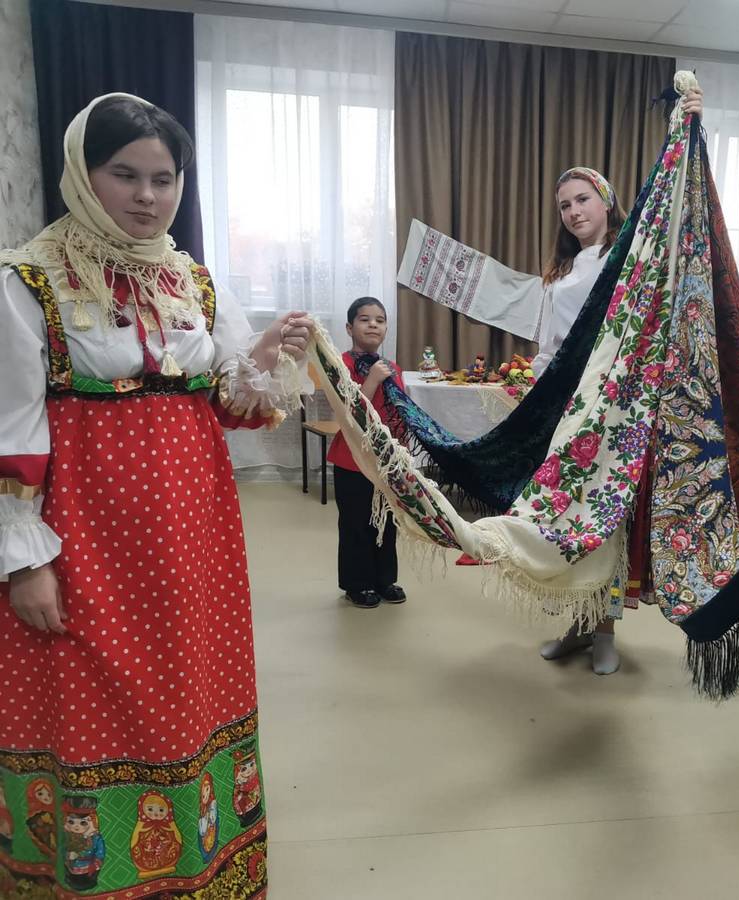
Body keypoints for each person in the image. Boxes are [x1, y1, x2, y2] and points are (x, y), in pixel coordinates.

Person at [0, 93, 312, 898]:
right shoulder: (27, 280)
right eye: (125, 174)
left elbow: (233, 403)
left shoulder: (191, 280)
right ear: (83, 174)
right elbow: (11, 428)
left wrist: (263, 356)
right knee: (92, 698)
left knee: (188, 693)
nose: (147, 196)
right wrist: (25, 561)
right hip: (85, 538)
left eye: (164, 179)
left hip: (193, 538)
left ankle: (197, 870)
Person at [536, 87, 703, 676]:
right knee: (568, 519)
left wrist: (689, 128)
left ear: (606, 202)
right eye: (564, 205)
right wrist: (537, 399)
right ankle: (576, 624)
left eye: (582, 199)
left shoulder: (631, 257)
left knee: (606, 522)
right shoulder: (559, 273)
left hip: (617, 410)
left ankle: (604, 628)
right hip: (567, 409)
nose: (573, 211)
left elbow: (677, 217)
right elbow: (548, 348)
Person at [327, 296, 406, 609]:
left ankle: (384, 580)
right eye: (364, 319)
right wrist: (372, 379)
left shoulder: (393, 368)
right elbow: (348, 414)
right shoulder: (340, 365)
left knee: (386, 522)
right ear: (349, 328)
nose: (373, 325)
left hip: (386, 461)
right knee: (356, 524)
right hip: (352, 460)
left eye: (380, 320)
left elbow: (399, 414)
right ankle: (357, 584)